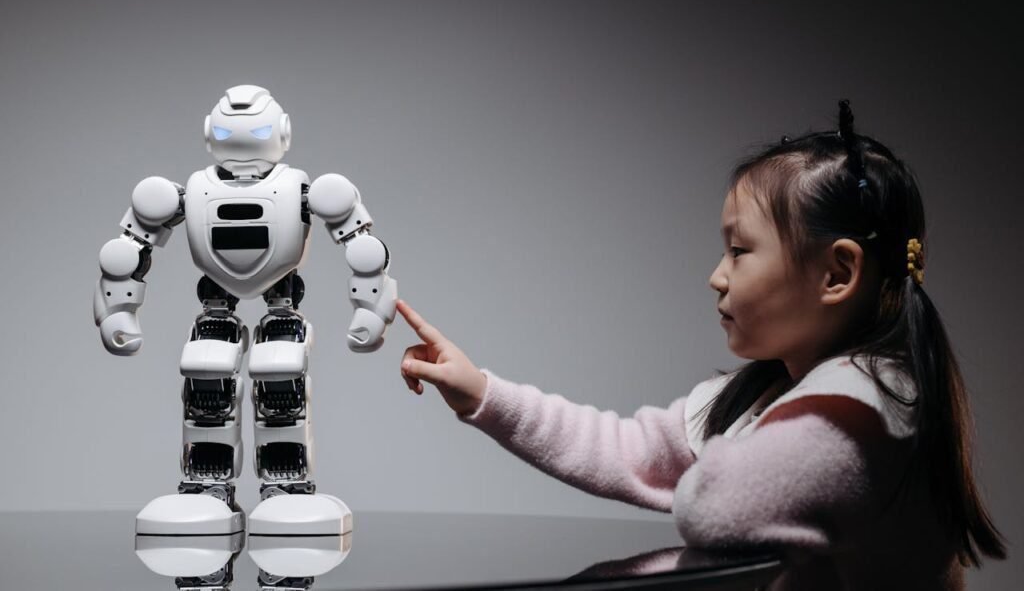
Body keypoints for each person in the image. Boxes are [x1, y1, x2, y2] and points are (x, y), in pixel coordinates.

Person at [395, 102, 1006, 590]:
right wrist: (483, 393)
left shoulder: (855, 412)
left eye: (739, 251)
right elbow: (629, 448)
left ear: (836, 275)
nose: (718, 275)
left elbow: (716, 503)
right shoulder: (777, 394)